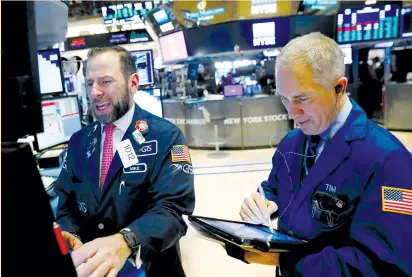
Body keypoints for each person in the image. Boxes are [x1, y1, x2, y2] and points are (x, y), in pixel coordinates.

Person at [235, 33, 412, 276]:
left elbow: (383, 265)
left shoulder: (388, 160)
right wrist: (264, 202)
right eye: (284, 100)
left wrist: (284, 262)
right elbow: (275, 187)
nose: (291, 113)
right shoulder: (290, 144)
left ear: (339, 87)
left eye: (302, 99)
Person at [54, 45, 195, 277]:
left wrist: (125, 242)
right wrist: (72, 235)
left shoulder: (166, 136)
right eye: (90, 83)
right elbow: (65, 202)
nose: (94, 92)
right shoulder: (79, 141)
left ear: (133, 83)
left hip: (150, 269)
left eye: (105, 81)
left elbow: (173, 210)